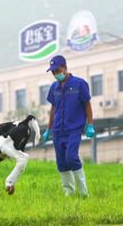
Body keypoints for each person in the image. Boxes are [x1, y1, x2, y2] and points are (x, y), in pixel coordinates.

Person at [41, 55, 96, 197]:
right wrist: (48, 129)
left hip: (73, 129)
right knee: (61, 161)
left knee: (71, 157)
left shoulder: (79, 84)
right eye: (53, 72)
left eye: (57, 70)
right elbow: (53, 108)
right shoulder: (54, 88)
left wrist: (90, 125)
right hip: (57, 130)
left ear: (65, 68)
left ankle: (83, 192)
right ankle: (69, 192)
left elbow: (87, 104)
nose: (55, 74)